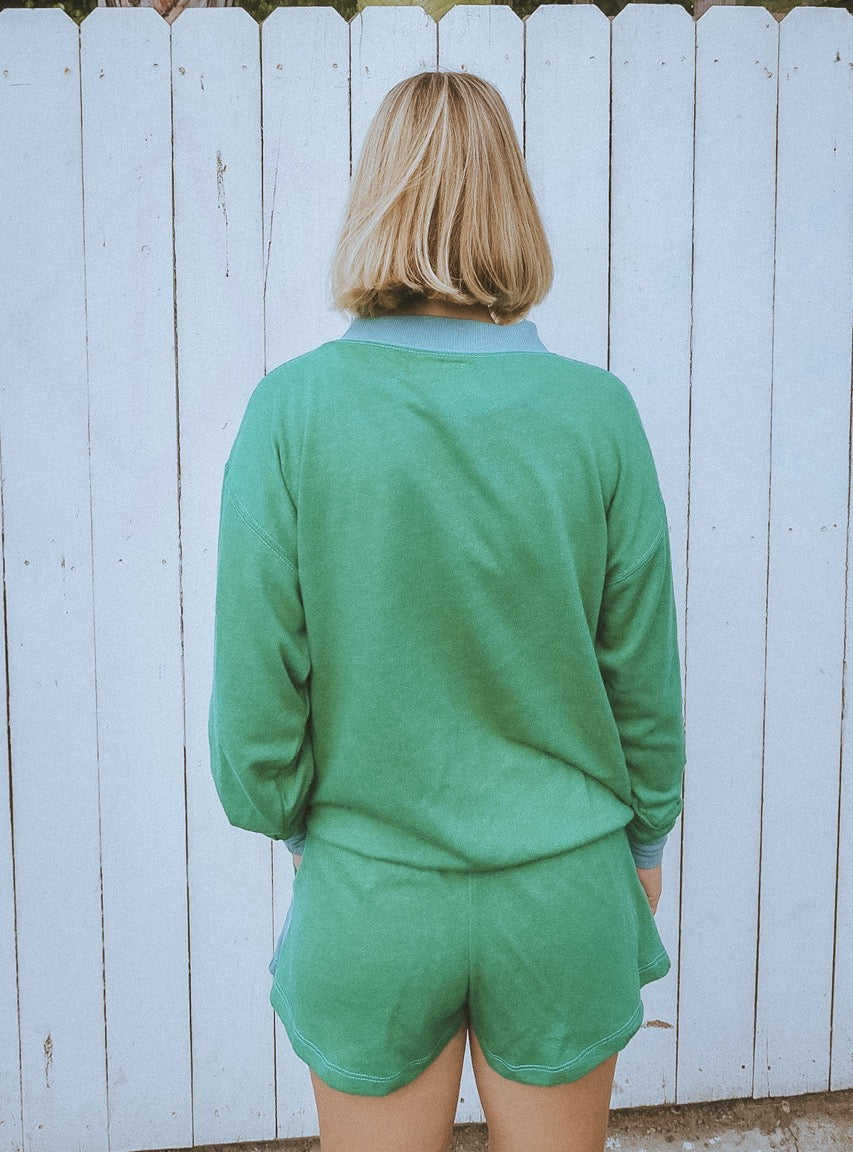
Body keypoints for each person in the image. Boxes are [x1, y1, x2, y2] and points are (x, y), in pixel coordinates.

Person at [208, 69, 686, 1152]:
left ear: (376, 197)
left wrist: (297, 823)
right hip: (564, 893)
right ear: (510, 201)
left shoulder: (290, 413)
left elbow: (252, 718)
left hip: (372, 895)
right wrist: (646, 837)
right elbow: (642, 676)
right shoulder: (597, 415)